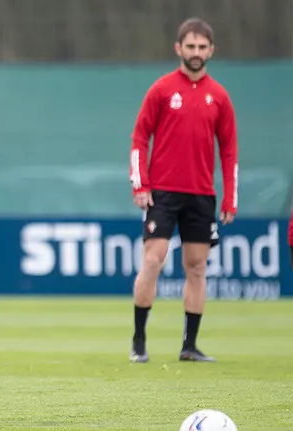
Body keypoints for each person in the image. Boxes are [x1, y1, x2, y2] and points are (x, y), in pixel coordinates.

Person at [128, 17, 238, 363]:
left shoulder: (218, 96)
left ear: (211, 51)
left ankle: (189, 346)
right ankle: (139, 340)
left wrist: (230, 196)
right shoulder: (161, 90)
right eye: (190, 46)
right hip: (162, 191)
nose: (196, 52)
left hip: (201, 195)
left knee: (197, 267)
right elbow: (139, 137)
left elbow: (230, 149)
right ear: (179, 48)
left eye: (202, 47)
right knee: (153, 259)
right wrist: (140, 183)